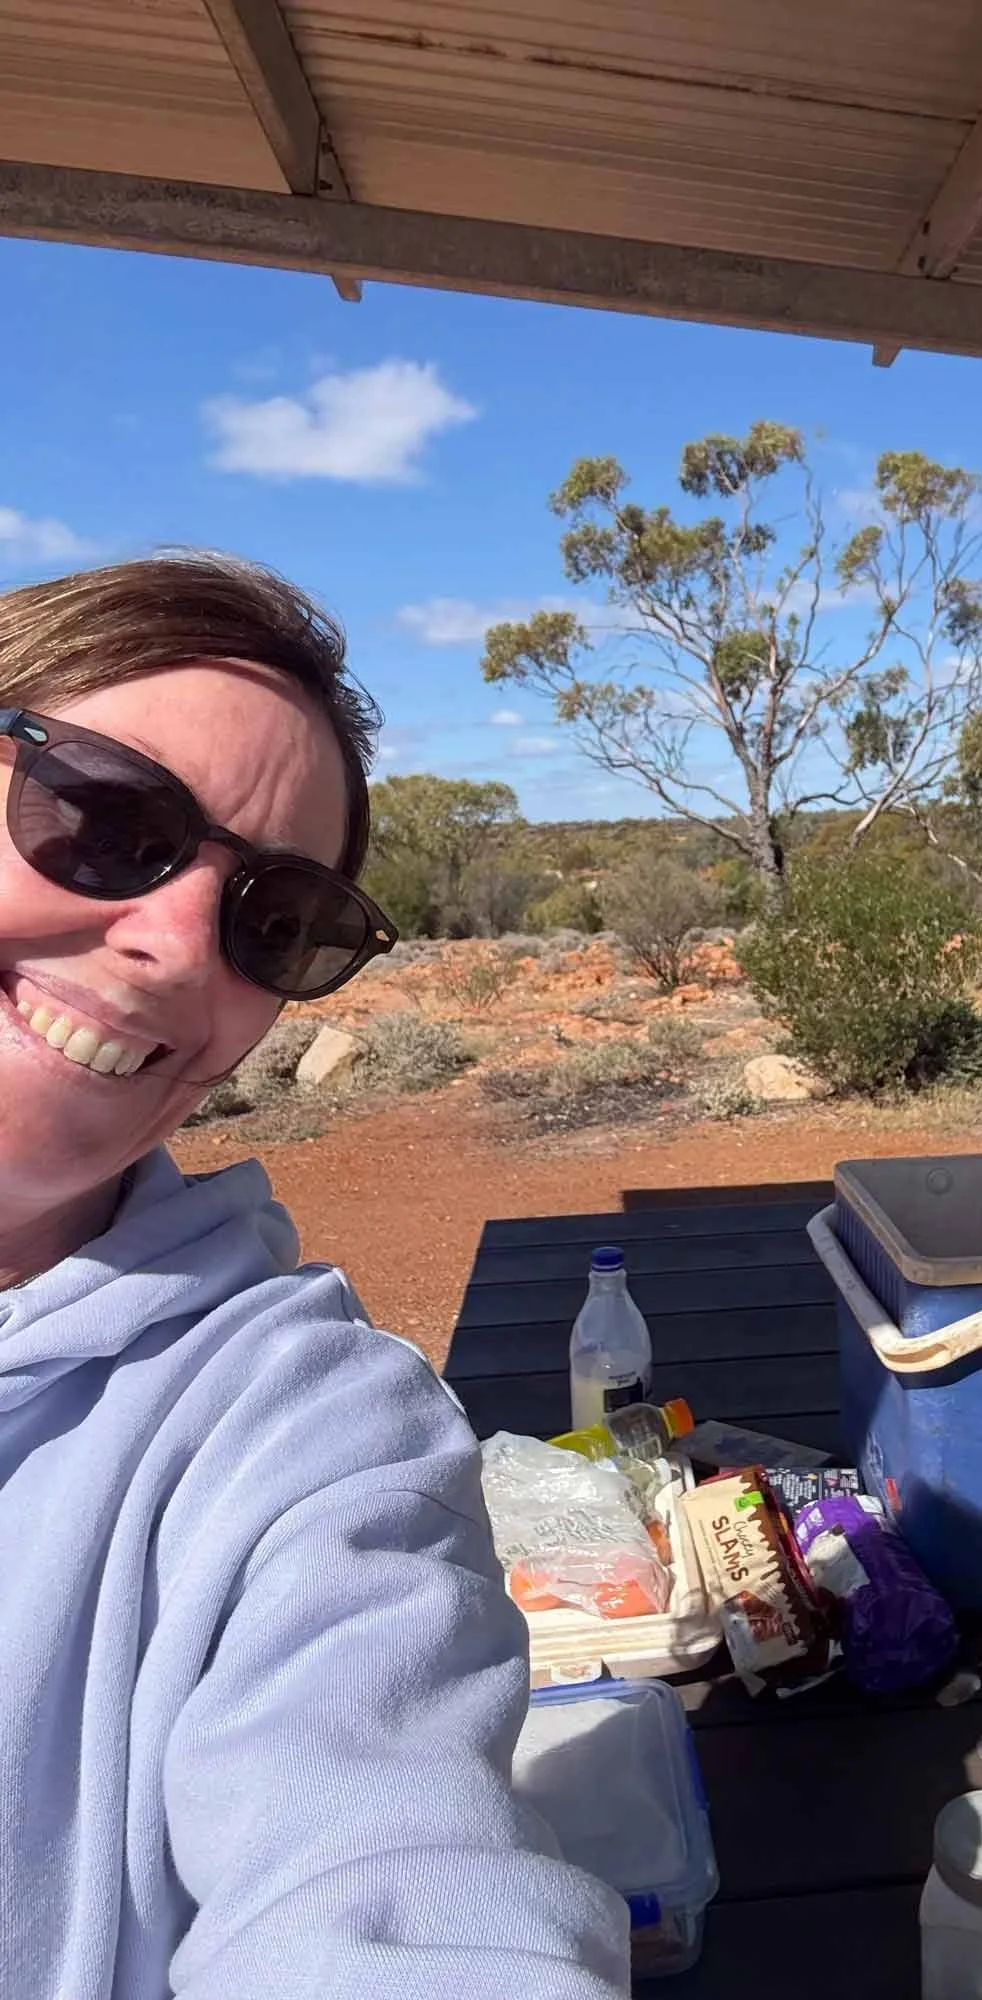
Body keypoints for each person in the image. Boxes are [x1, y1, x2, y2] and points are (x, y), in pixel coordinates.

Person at [0, 555, 629, 1998]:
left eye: (276, 920)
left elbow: (390, 1872)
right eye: (104, 818)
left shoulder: (300, 1423)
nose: (171, 948)